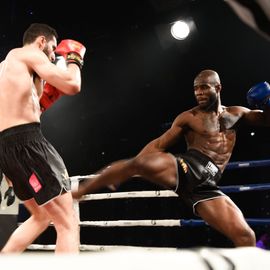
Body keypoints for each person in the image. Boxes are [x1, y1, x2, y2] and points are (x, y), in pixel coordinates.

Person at [72, 69, 270, 247]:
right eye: (195, 89)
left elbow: (265, 120)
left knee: (246, 236)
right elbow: (159, 144)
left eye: (203, 87)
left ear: (218, 88)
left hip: (206, 187)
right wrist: (132, 167)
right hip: (189, 168)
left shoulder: (237, 113)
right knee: (140, 163)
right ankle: (80, 191)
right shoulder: (189, 117)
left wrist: (267, 103)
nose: (198, 93)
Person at [0, 23, 86, 253]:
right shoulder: (29, 53)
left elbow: (24, 109)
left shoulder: (4, 67)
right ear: (41, 41)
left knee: (41, 216)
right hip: (27, 142)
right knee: (67, 223)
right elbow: (72, 84)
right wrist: (74, 57)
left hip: (6, 148)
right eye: (53, 48)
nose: (52, 54)